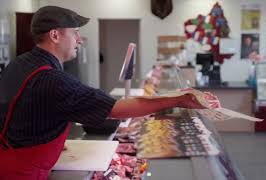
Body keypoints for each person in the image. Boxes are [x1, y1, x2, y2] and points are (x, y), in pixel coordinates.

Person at [0, 6, 216, 180]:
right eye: (75, 33)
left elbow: (34, 112)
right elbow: (116, 109)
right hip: (21, 172)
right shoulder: (52, 80)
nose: (80, 40)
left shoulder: (20, 62)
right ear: (55, 35)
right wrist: (178, 100)